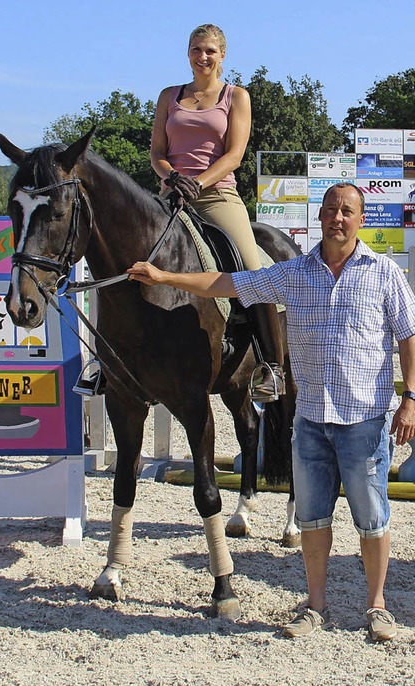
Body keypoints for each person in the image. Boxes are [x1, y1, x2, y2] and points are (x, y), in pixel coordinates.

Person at [126, 182, 415, 642]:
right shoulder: (295, 271)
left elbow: (408, 334)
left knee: (373, 517)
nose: (337, 218)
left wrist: (410, 398)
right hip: (311, 419)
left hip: (365, 417)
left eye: (347, 211)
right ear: (320, 217)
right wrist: (165, 278)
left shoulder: (384, 272)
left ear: (360, 220)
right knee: (314, 519)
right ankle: (314, 606)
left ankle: (377, 606)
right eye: (331, 210)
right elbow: (226, 283)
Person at [150, 23, 284, 402]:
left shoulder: (235, 96)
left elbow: (234, 155)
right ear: (187, 53)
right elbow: (157, 152)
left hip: (217, 195)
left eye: (209, 50)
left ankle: (271, 367)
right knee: (131, 255)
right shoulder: (168, 96)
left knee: (251, 267)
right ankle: (110, 363)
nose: (202, 56)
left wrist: (200, 182)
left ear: (222, 55)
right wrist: (173, 177)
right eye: (196, 49)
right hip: (171, 194)